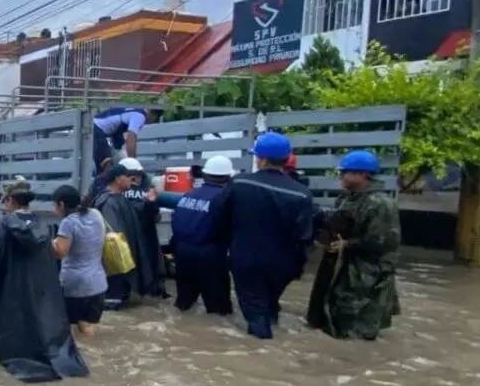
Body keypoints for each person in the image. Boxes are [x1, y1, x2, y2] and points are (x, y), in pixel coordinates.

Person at [0, 179, 89, 383]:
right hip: (37, 291)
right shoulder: (41, 224)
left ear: (12, 200)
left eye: (5, 199)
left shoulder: (2, 224)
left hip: (10, 292)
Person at [216, 133, 314, 340]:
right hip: (283, 264)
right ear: (287, 160)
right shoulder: (302, 193)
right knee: (270, 302)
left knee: (255, 312)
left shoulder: (239, 183)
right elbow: (304, 235)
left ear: (261, 159)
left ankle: (261, 351)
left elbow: (220, 217)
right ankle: (272, 326)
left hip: (246, 259)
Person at [306, 150, 401, 341]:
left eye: (345, 172)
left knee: (358, 326)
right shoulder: (346, 198)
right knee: (331, 316)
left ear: (363, 175)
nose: (341, 176)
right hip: (341, 267)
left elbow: (383, 241)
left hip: (368, 274)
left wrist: (347, 245)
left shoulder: (381, 203)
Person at [92, 163, 163, 309]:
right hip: (115, 267)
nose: (131, 181)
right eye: (127, 177)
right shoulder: (108, 202)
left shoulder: (119, 199)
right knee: (114, 301)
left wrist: (150, 203)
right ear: (118, 179)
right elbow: (112, 240)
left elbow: (139, 213)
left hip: (123, 263)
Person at [170, 154, 234, 315]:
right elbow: (228, 229)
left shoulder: (189, 194)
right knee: (219, 312)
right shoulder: (225, 198)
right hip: (210, 255)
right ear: (228, 177)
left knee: (184, 305)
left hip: (182, 254)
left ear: (205, 175)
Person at [51, 184, 106, 337]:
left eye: (54, 205)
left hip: (76, 286)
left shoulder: (68, 222)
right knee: (89, 328)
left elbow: (60, 252)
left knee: (72, 329)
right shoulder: (95, 214)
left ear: (61, 204)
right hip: (98, 283)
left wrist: (46, 243)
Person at [91, 107, 160, 175]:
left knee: (119, 146)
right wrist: (133, 163)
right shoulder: (140, 116)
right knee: (106, 166)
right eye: (156, 117)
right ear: (152, 114)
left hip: (104, 128)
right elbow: (131, 139)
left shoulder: (134, 109)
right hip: (96, 128)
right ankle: (101, 183)